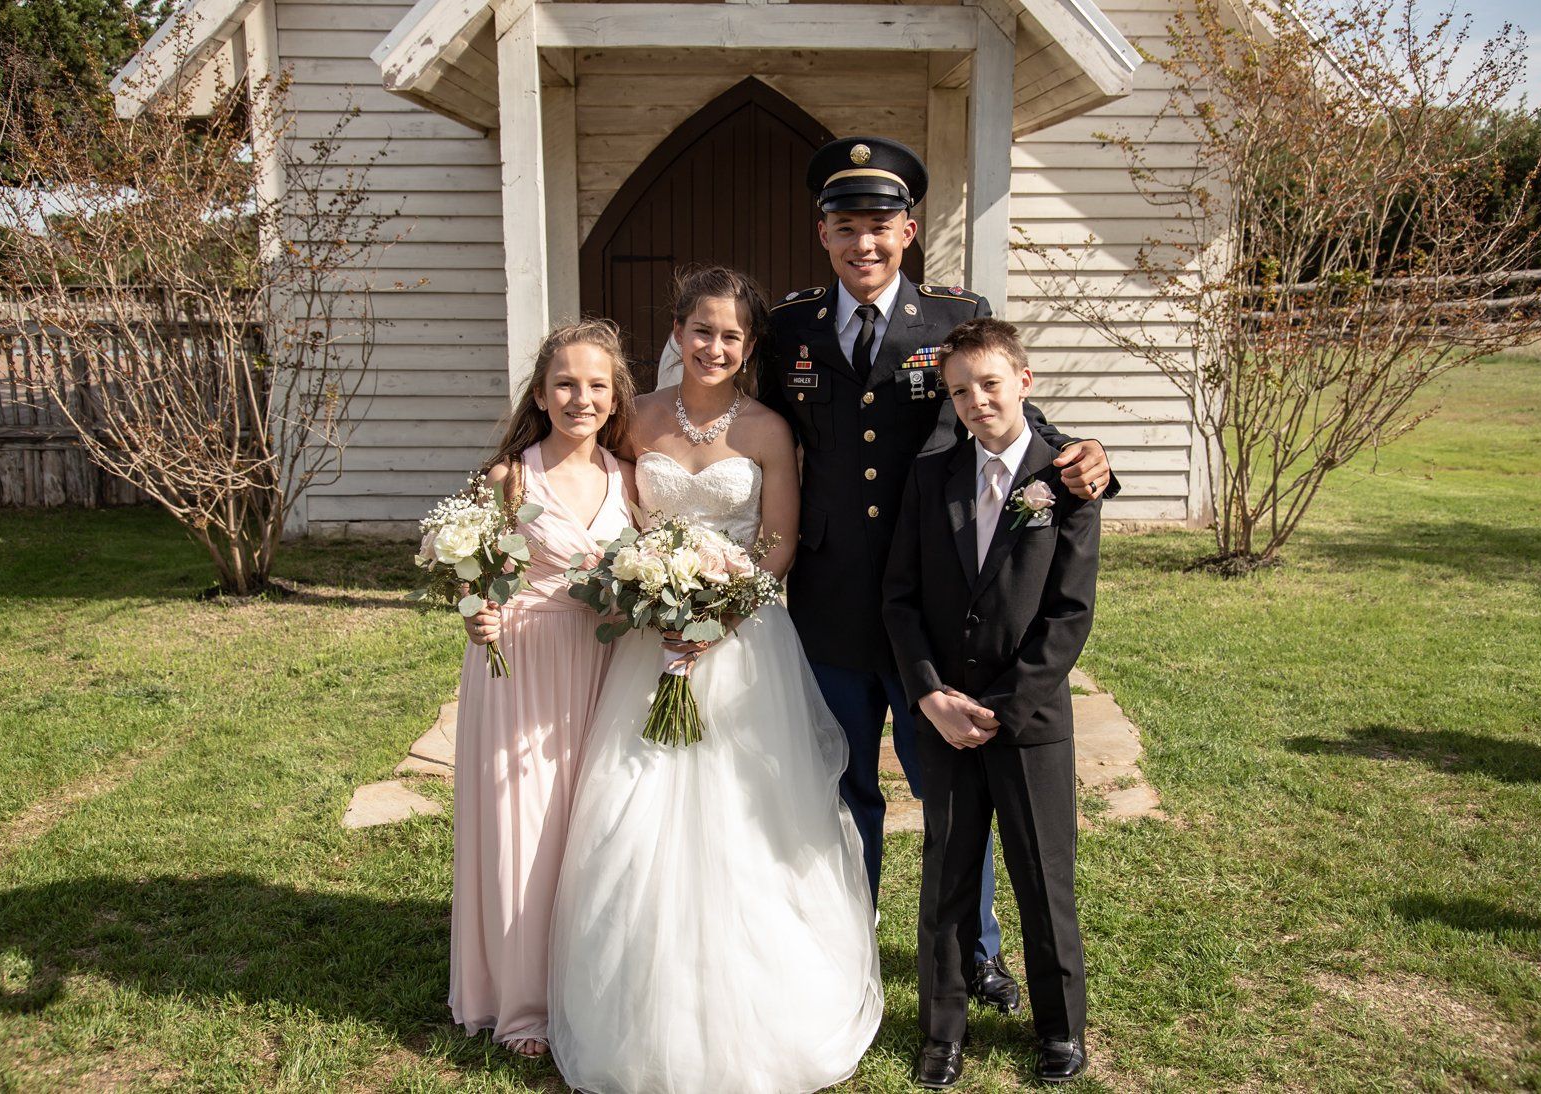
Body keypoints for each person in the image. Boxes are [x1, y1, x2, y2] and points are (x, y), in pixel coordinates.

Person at [757, 135, 1117, 1012]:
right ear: (823, 235)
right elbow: (759, 440)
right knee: (842, 789)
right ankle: (848, 947)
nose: (863, 244)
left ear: (909, 230)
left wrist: (1078, 453)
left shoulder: (950, 317)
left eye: (880, 226)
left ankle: (979, 953)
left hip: (938, 605)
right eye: (845, 227)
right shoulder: (791, 327)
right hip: (834, 603)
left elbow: (1004, 407)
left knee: (956, 791)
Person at [549, 266, 882, 1094]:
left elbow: (779, 541)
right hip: (649, 640)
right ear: (676, 329)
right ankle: (631, 992)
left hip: (741, 644)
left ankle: (764, 996)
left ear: (750, 345)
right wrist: (648, 596)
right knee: (636, 802)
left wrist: (718, 616)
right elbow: (612, 515)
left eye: (732, 335)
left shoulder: (769, 429)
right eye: (702, 329)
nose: (715, 346)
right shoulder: (636, 420)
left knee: (747, 813)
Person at [883, 317, 1100, 1086]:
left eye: (990, 384)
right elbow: (900, 599)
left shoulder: (1067, 479)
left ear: (1024, 382)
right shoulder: (930, 475)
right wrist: (930, 694)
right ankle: (943, 1032)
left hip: (1030, 720)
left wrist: (1004, 707)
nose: (977, 401)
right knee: (947, 874)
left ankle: (1060, 1027)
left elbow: (1069, 613)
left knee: (1043, 874)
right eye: (960, 390)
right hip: (946, 716)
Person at [450, 319, 639, 1056]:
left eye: (596, 385)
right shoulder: (510, 479)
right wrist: (476, 615)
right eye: (565, 383)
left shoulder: (629, 479)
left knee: (588, 826)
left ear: (616, 396)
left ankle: (585, 983)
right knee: (522, 827)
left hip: (601, 664)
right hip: (522, 665)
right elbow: (467, 572)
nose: (580, 398)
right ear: (539, 393)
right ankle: (524, 1006)